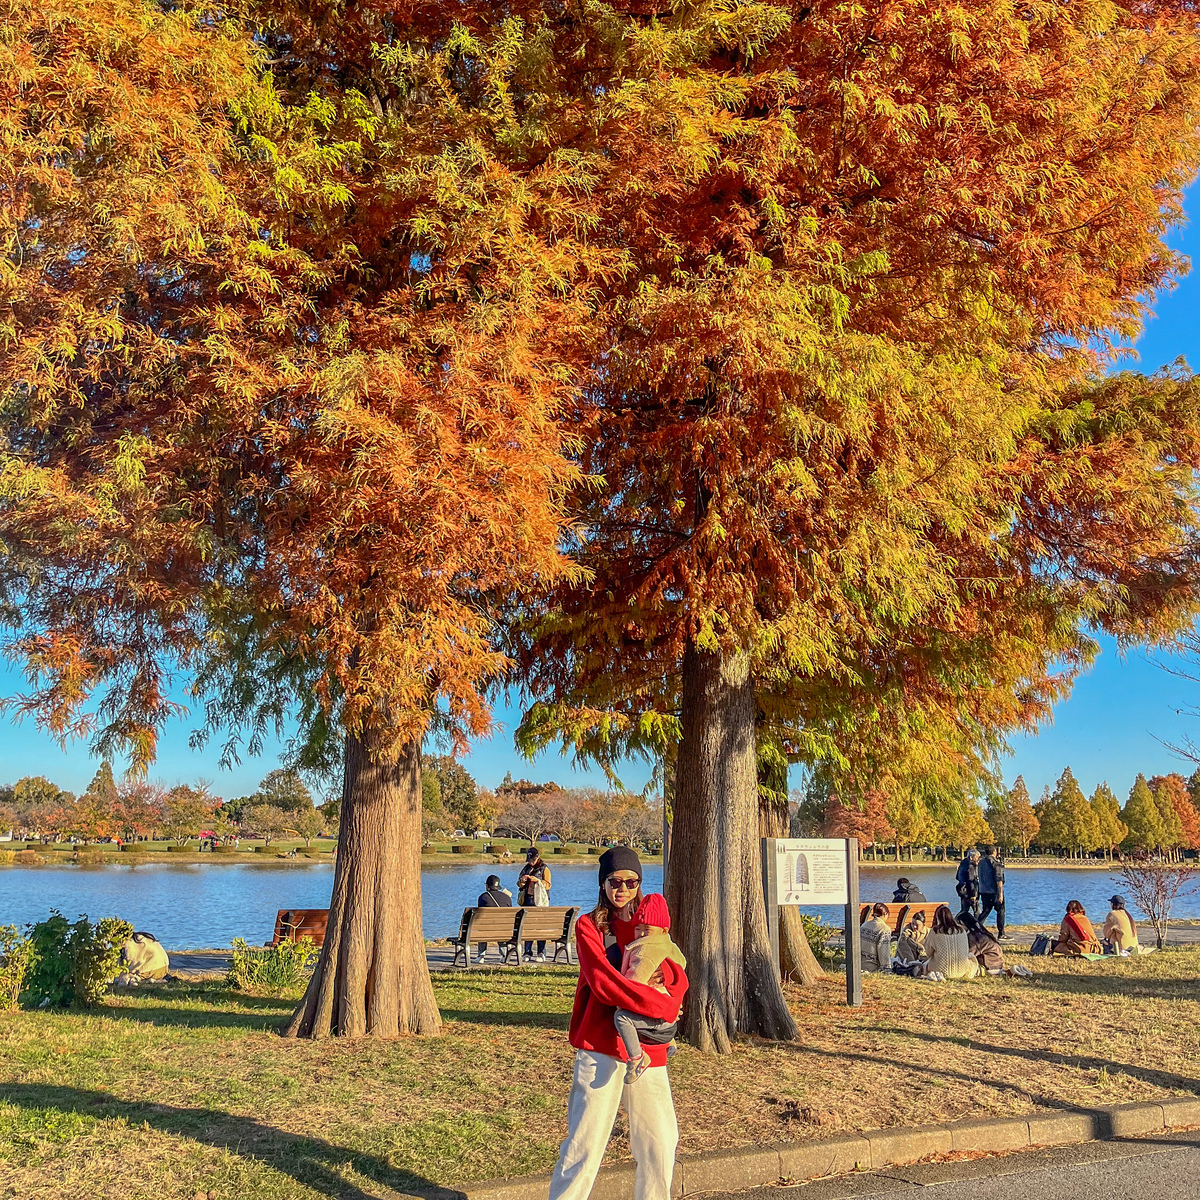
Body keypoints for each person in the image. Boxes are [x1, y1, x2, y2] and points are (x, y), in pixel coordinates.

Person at [547, 846, 687, 1200]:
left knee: (660, 1142)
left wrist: (666, 1000)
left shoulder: (651, 926)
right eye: (614, 881)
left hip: (647, 1051)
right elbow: (602, 983)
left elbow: (677, 979)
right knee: (584, 1147)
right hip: (601, 1048)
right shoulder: (589, 926)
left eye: (631, 880)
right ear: (603, 883)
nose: (622, 888)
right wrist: (661, 1005)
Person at [613, 893, 687, 1083]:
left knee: (622, 1018)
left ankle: (637, 1058)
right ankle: (670, 1040)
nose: (642, 934)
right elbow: (682, 963)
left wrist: (619, 999)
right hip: (668, 1012)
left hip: (655, 1012)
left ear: (662, 930)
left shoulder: (645, 950)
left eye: (648, 929)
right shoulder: (668, 944)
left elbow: (634, 982)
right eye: (638, 929)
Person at [923, 905, 979, 980]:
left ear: (937, 918)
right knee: (971, 957)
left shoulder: (935, 931)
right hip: (962, 969)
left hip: (940, 969)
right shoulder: (962, 931)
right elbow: (966, 952)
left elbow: (929, 953)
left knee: (925, 964)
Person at [517, 847, 552, 962]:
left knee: (540, 927)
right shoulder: (526, 868)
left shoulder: (544, 869)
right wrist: (523, 880)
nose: (530, 862)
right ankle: (527, 952)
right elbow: (519, 883)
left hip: (540, 901)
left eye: (532, 859)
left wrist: (538, 881)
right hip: (528, 899)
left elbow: (548, 885)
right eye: (529, 859)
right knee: (528, 926)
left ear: (537, 857)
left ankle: (541, 952)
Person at [475, 874, 513, 964]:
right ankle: (504, 955)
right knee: (501, 926)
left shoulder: (483, 897)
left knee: (483, 926)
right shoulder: (506, 897)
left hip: (487, 929)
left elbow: (480, 914)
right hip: (505, 929)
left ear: (487, 886)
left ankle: (481, 956)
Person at [977, 845, 1008, 939]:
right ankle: (1001, 932)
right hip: (993, 891)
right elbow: (999, 879)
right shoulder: (995, 863)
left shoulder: (981, 863)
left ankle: (975, 927)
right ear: (994, 852)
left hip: (983, 890)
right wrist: (1000, 894)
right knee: (1001, 911)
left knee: (986, 911)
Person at [860, 903, 893, 973]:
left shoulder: (864, 925)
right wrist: (887, 969)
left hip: (859, 964)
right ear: (885, 914)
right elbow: (884, 952)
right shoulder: (884, 929)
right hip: (872, 967)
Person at [955, 848, 981, 919]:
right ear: (971, 857)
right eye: (977, 858)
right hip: (969, 892)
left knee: (964, 910)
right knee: (977, 911)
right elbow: (971, 881)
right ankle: (978, 926)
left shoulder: (963, 864)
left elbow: (957, 877)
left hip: (962, 890)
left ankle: (955, 922)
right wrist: (974, 894)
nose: (978, 860)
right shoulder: (971, 867)